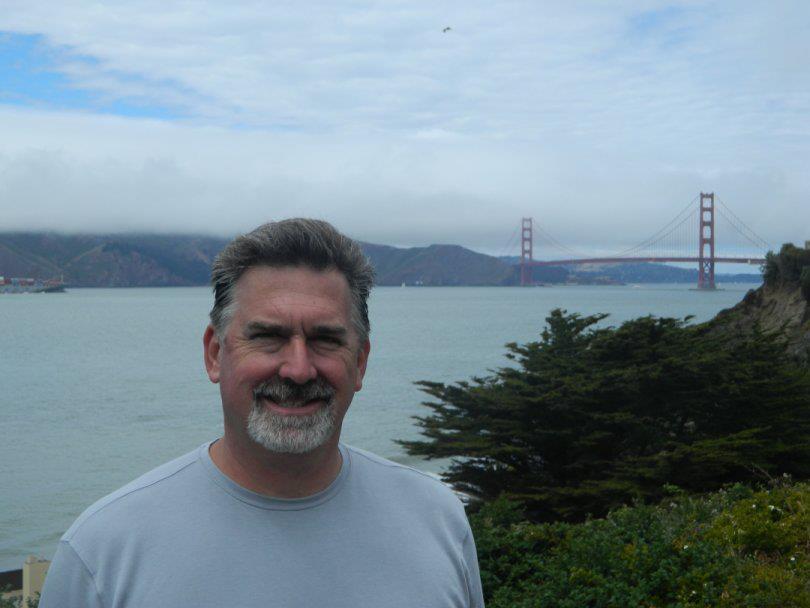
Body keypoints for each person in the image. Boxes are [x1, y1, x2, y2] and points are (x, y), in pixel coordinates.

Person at [39, 218, 485, 608]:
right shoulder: (102, 551)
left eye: (326, 339)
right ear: (215, 354)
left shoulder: (438, 519)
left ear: (361, 362)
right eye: (268, 336)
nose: (297, 369)